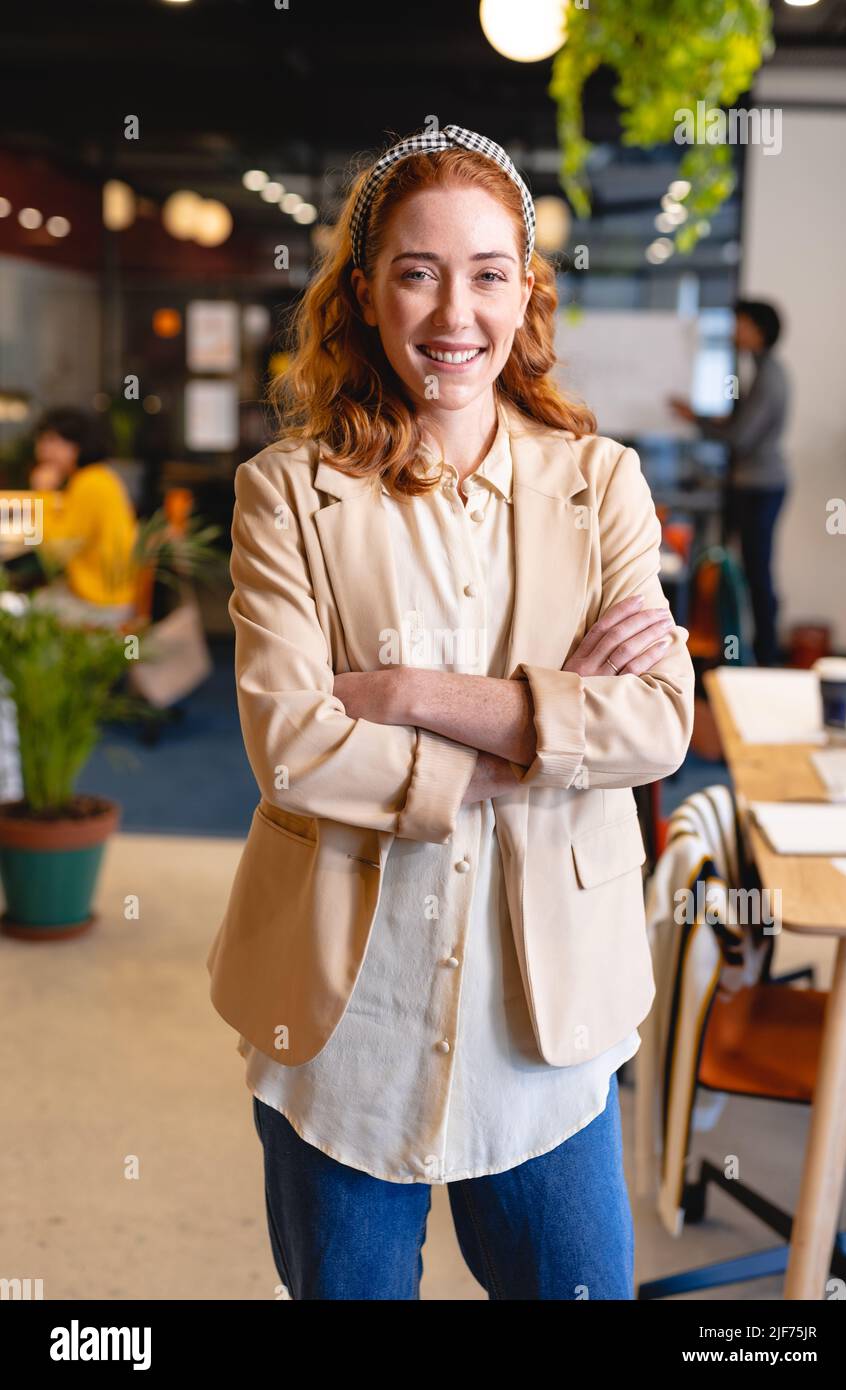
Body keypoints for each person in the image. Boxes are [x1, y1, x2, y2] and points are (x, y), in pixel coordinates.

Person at [207, 125, 695, 1300]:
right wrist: (548, 732)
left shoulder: (602, 484)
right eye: (418, 272)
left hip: (547, 1029)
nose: (452, 314)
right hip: (344, 1019)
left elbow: (659, 727)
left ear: (524, 293)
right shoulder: (287, 495)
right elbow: (293, 749)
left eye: (487, 273)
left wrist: (407, 697)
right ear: (365, 293)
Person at [669, 299, 790, 666]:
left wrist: (698, 419)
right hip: (752, 485)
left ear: (758, 330)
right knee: (747, 569)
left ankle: (767, 659)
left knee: (756, 571)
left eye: (741, 324)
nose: (736, 331)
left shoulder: (769, 375)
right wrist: (706, 418)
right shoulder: (761, 369)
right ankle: (753, 653)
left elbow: (741, 436)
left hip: (760, 485)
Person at [28, 406, 138, 627]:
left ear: (78, 445)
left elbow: (55, 553)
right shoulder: (101, 478)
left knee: (16, 612)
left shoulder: (89, 483)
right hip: (111, 596)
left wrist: (42, 494)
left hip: (101, 605)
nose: (43, 450)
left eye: (54, 442)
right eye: (43, 441)